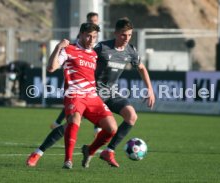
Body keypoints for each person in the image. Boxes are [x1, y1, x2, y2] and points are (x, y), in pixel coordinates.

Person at [26, 17, 155, 168]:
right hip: (93, 92)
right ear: (115, 33)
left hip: (108, 93)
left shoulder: (129, 51)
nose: (126, 38)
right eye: (123, 35)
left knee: (130, 116)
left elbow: (141, 68)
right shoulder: (100, 48)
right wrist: (62, 49)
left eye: (129, 35)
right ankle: (41, 152)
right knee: (72, 124)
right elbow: (71, 59)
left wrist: (150, 89)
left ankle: (105, 151)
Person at [26, 22, 118, 169]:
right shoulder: (69, 49)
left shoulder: (94, 54)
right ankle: (67, 160)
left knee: (112, 128)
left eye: (94, 37)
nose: (91, 40)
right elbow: (51, 67)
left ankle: (89, 150)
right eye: (88, 36)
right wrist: (58, 47)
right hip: (74, 94)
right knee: (74, 121)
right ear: (81, 34)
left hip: (92, 97)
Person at [50, 12, 102, 136]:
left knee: (82, 112)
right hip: (78, 79)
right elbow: (70, 55)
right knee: (75, 113)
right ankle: (97, 128)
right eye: (91, 20)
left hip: (93, 77)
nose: (93, 22)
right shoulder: (79, 41)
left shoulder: (97, 40)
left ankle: (58, 123)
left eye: (95, 20)